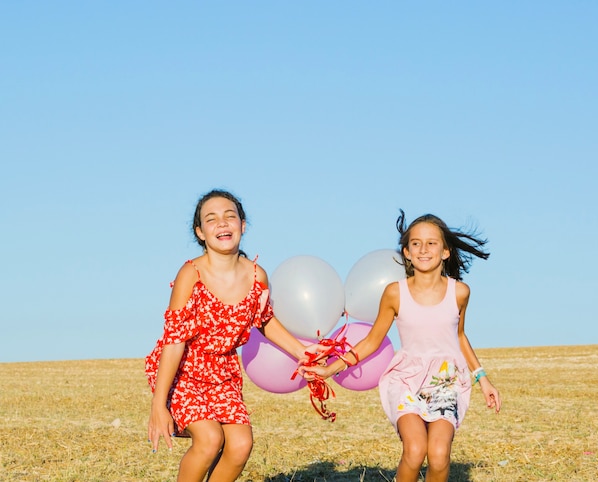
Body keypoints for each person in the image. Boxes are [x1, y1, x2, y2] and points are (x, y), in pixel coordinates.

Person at [302, 211, 501, 482]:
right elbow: (372, 340)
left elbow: (460, 336)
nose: (423, 249)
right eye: (416, 243)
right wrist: (331, 369)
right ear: (406, 252)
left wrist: (483, 379)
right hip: (406, 379)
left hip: (446, 381)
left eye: (432, 243)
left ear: (445, 252)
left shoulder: (460, 292)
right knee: (416, 449)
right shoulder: (395, 292)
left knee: (440, 454)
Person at [146, 189, 323, 482]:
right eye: (211, 219)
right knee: (209, 440)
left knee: (241, 445)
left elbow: (264, 322)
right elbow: (174, 340)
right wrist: (158, 404)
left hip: (223, 372)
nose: (222, 224)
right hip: (184, 370)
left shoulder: (257, 275)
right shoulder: (191, 274)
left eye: (230, 217)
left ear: (243, 225)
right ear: (200, 232)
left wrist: (303, 352)